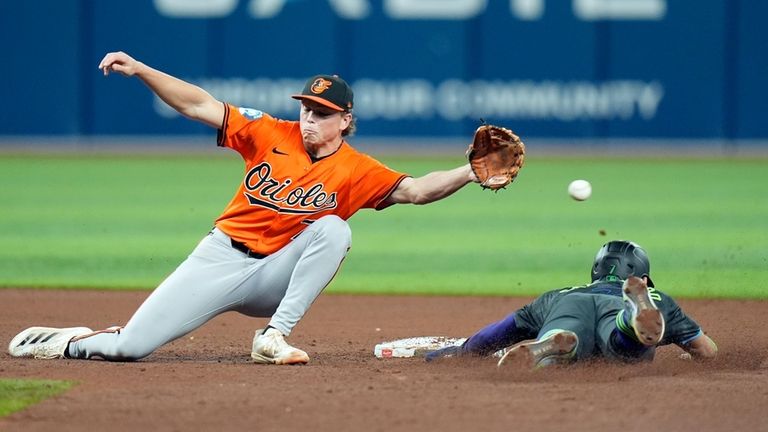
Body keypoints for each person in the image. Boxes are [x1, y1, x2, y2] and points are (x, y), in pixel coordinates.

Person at [8, 51, 482, 365]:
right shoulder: (270, 132)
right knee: (129, 347)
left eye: (321, 113)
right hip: (219, 257)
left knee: (335, 230)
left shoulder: (357, 169)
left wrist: (468, 171)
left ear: (345, 120)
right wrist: (144, 70)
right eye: (306, 108)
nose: (309, 118)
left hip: (274, 275)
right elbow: (200, 106)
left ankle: (272, 337)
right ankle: (68, 341)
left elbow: (418, 189)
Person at [424, 240, 718, 368]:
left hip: (570, 305)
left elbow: (501, 331)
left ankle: (554, 343)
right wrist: (689, 354)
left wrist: (462, 351)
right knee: (618, 345)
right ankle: (629, 322)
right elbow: (706, 351)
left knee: (563, 333)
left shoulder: (558, 293)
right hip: (618, 308)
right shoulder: (657, 298)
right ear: (642, 279)